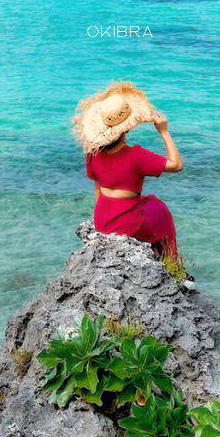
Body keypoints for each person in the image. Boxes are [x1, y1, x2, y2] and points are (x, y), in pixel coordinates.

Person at [72, 81, 192, 287]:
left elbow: (97, 188)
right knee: (161, 212)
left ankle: (161, 262)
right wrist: (163, 131)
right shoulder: (136, 154)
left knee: (149, 203)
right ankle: (171, 266)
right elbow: (177, 164)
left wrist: (103, 222)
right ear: (126, 128)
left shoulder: (91, 152)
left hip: (101, 218)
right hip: (127, 222)